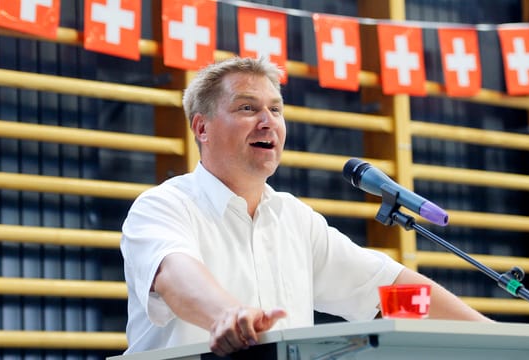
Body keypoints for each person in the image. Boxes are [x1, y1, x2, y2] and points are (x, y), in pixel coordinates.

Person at [120, 56, 491, 357]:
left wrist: (490, 336)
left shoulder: (295, 219)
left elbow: (387, 293)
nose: (268, 123)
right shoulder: (163, 206)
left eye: (276, 110)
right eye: (248, 108)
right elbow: (174, 277)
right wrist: (227, 315)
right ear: (202, 128)